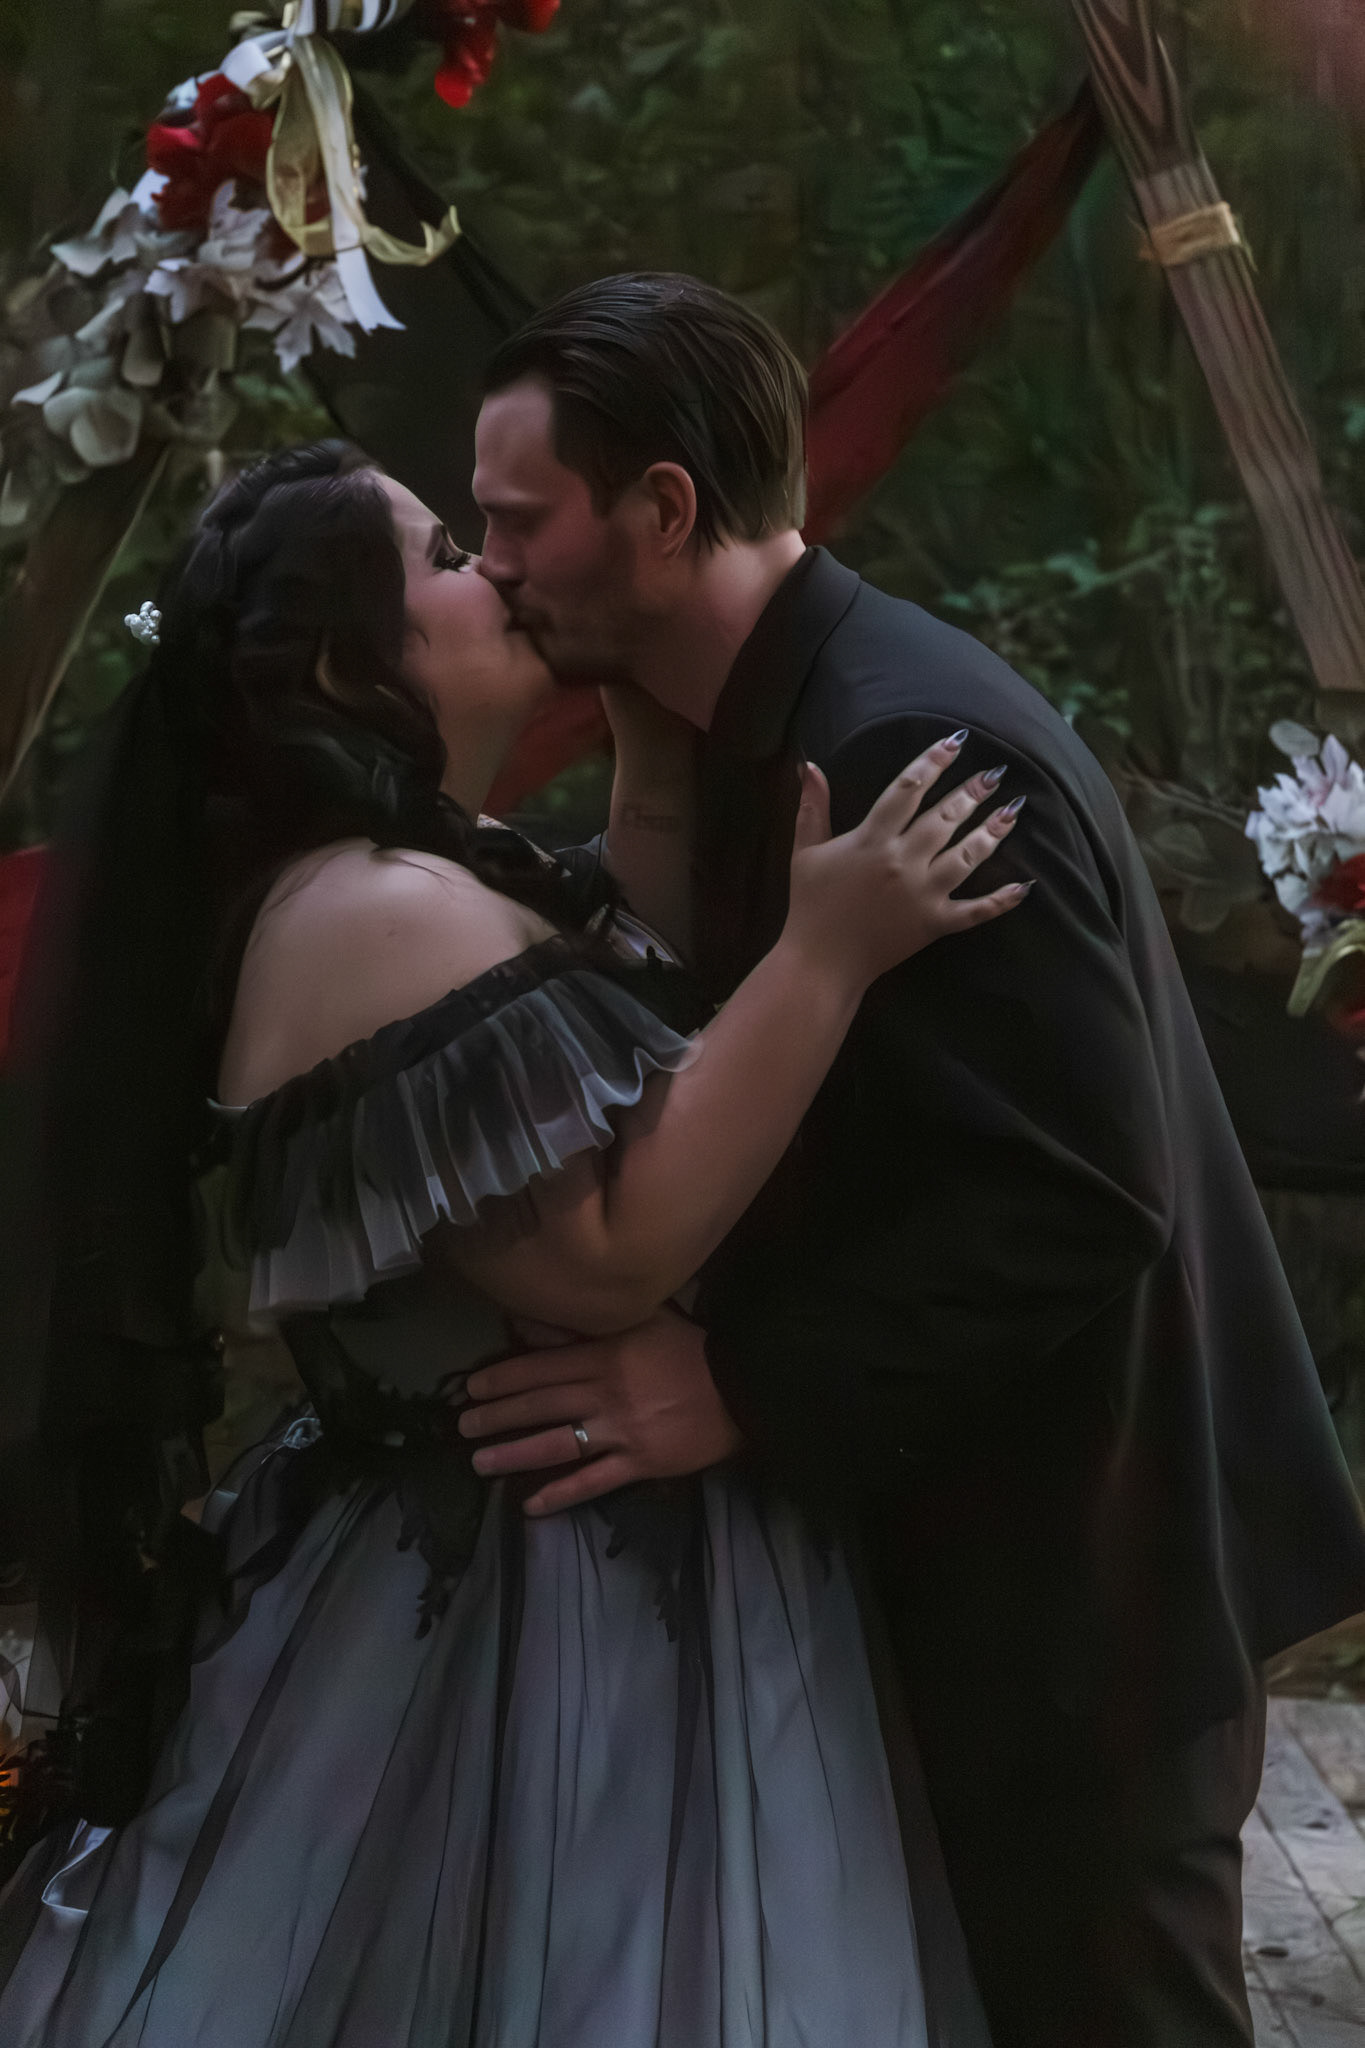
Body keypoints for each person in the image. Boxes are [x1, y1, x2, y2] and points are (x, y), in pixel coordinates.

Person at [0, 440, 1025, 2044]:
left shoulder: (439, 869)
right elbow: (605, 1255)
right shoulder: (366, 914)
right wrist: (828, 951)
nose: (491, 566)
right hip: (501, 1603)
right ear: (344, 664)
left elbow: (637, 999)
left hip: (600, 1555)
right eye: (440, 557)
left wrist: (646, 736)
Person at [463, 271, 1365, 2048]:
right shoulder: (772, 720)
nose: (490, 566)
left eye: (517, 520)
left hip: (1075, 1602)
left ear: (662, 510)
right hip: (991, 1577)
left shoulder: (901, 751)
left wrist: (735, 1382)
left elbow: (1074, 1195)